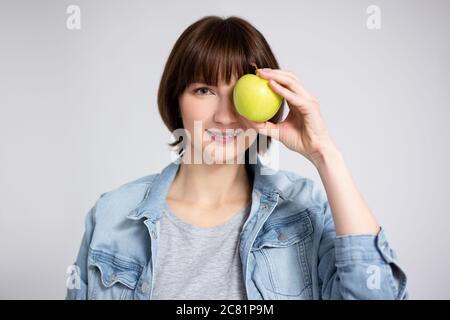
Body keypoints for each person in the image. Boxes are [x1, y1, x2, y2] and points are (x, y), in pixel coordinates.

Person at [66, 15, 407, 300]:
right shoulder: (111, 216)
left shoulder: (304, 210)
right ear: (176, 99)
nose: (225, 116)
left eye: (239, 93)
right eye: (204, 90)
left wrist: (325, 154)